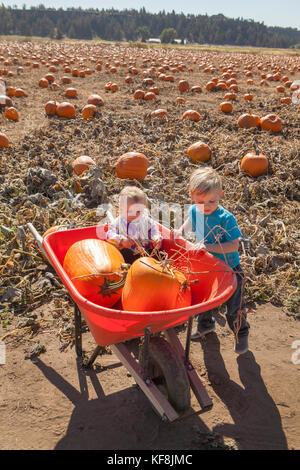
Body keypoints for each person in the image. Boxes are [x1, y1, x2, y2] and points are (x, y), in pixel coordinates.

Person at [172, 167, 249, 355]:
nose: (206, 206)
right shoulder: (194, 210)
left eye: (212, 201)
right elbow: (191, 220)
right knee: (204, 301)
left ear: (220, 195)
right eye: (200, 202)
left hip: (229, 270)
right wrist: (180, 231)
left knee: (235, 307)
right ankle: (205, 325)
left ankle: (241, 333)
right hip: (206, 268)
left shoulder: (226, 218)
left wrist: (208, 247)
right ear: (192, 196)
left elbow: (233, 245)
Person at [106, 186, 162, 264]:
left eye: (138, 211)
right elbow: (109, 235)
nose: (134, 215)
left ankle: (155, 267)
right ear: (120, 209)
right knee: (124, 254)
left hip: (144, 254)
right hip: (128, 254)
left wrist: (156, 237)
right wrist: (121, 240)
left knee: (160, 253)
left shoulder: (146, 220)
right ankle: (127, 270)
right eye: (129, 211)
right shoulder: (117, 223)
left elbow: (153, 229)